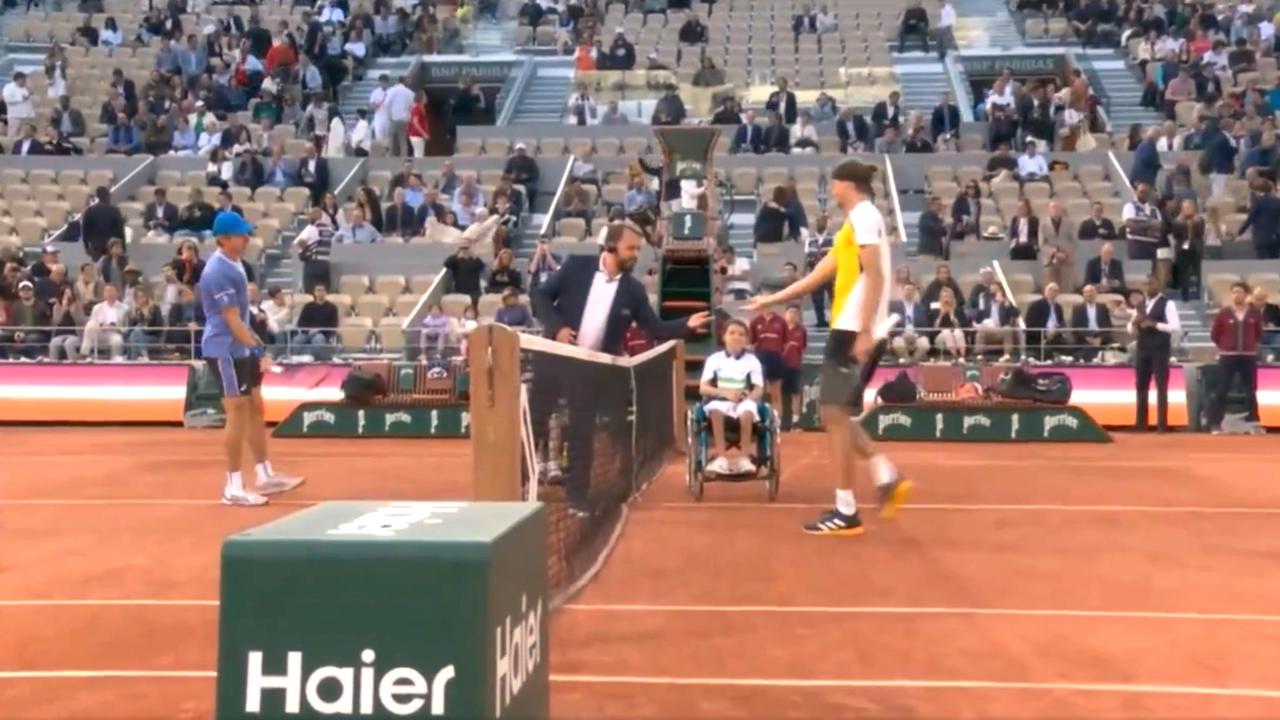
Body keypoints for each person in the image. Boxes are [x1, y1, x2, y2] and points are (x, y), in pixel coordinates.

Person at [745, 159, 910, 536]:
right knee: (836, 415)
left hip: (854, 329)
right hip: (851, 327)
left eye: (835, 185)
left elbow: (877, 274)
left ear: (846, 185)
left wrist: (865, 331)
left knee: (833, 415)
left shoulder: (865, 216)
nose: (831, 191)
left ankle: (848, 507)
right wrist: (770, 301)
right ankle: (884, 476)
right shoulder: (855, 224)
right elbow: (817, 277)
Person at [531, 221, 710, 514]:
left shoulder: (634, 291)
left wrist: (684, 326)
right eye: (631, 248)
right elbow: (540, 295)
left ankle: (577, 498)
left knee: (581, 434)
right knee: (535, 423)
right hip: (553, 359)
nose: (635, 254)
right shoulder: (576, 266)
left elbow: (654, 327)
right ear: (611, 246)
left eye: (637, 249)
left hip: (590, 370)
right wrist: (558, 327)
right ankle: (515, 488)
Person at [197, 212, 304, 506]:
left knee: (255, 406)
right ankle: (233, 486)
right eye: (240, 235)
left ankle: (264, 473)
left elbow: (242, 317)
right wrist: (258, 350)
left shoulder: (238, 265)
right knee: (237, 411)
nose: (246, 238)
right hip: (224, 350)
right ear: (223, 239)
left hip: (240, 347)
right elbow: (231, 320)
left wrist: (256, 345)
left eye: (246, 234)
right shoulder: (217, 271)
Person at [700, 319, 766, 475]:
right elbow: (703, 388)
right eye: (732, 333)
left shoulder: (752, 360)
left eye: (741, 334)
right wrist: (725, 393)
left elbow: (759, 389)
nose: (737, 337)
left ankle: (744, 459)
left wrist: (747, 397)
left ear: (747, 340)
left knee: (747, 411)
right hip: (721, 400)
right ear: (724, 337)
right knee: (715, 409)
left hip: (744, 400)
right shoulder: (714, 359)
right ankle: (721, 458)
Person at [1208, 282, 1262, 433]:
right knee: (1222, 389)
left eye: (1239, 292)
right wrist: (1226, 346)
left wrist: (1249, 345)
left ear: (1246, 295)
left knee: (1250, 390)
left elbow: (1258, 333)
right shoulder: (1223, 313)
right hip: (1228, 357)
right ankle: (1215, 424)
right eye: (1234, 292)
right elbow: (1215, 335)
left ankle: (1254, 423)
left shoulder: (1254, 313)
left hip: (1248, 356)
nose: (1236, 295)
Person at [1130, 274, 1180, 432]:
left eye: (1151, 284)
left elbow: (1175, 327)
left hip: (1160, 349)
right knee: (1141, 386)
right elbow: (1130, 330)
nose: (1148, 287)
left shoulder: (1167, 304)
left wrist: (1155, 324)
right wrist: (1134, 323)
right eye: (1145, 284)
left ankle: (1162, 424)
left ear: (1158, 286)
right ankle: (1141, 423)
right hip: (1143, 348)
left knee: (1161, 386)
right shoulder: (1140, 305)